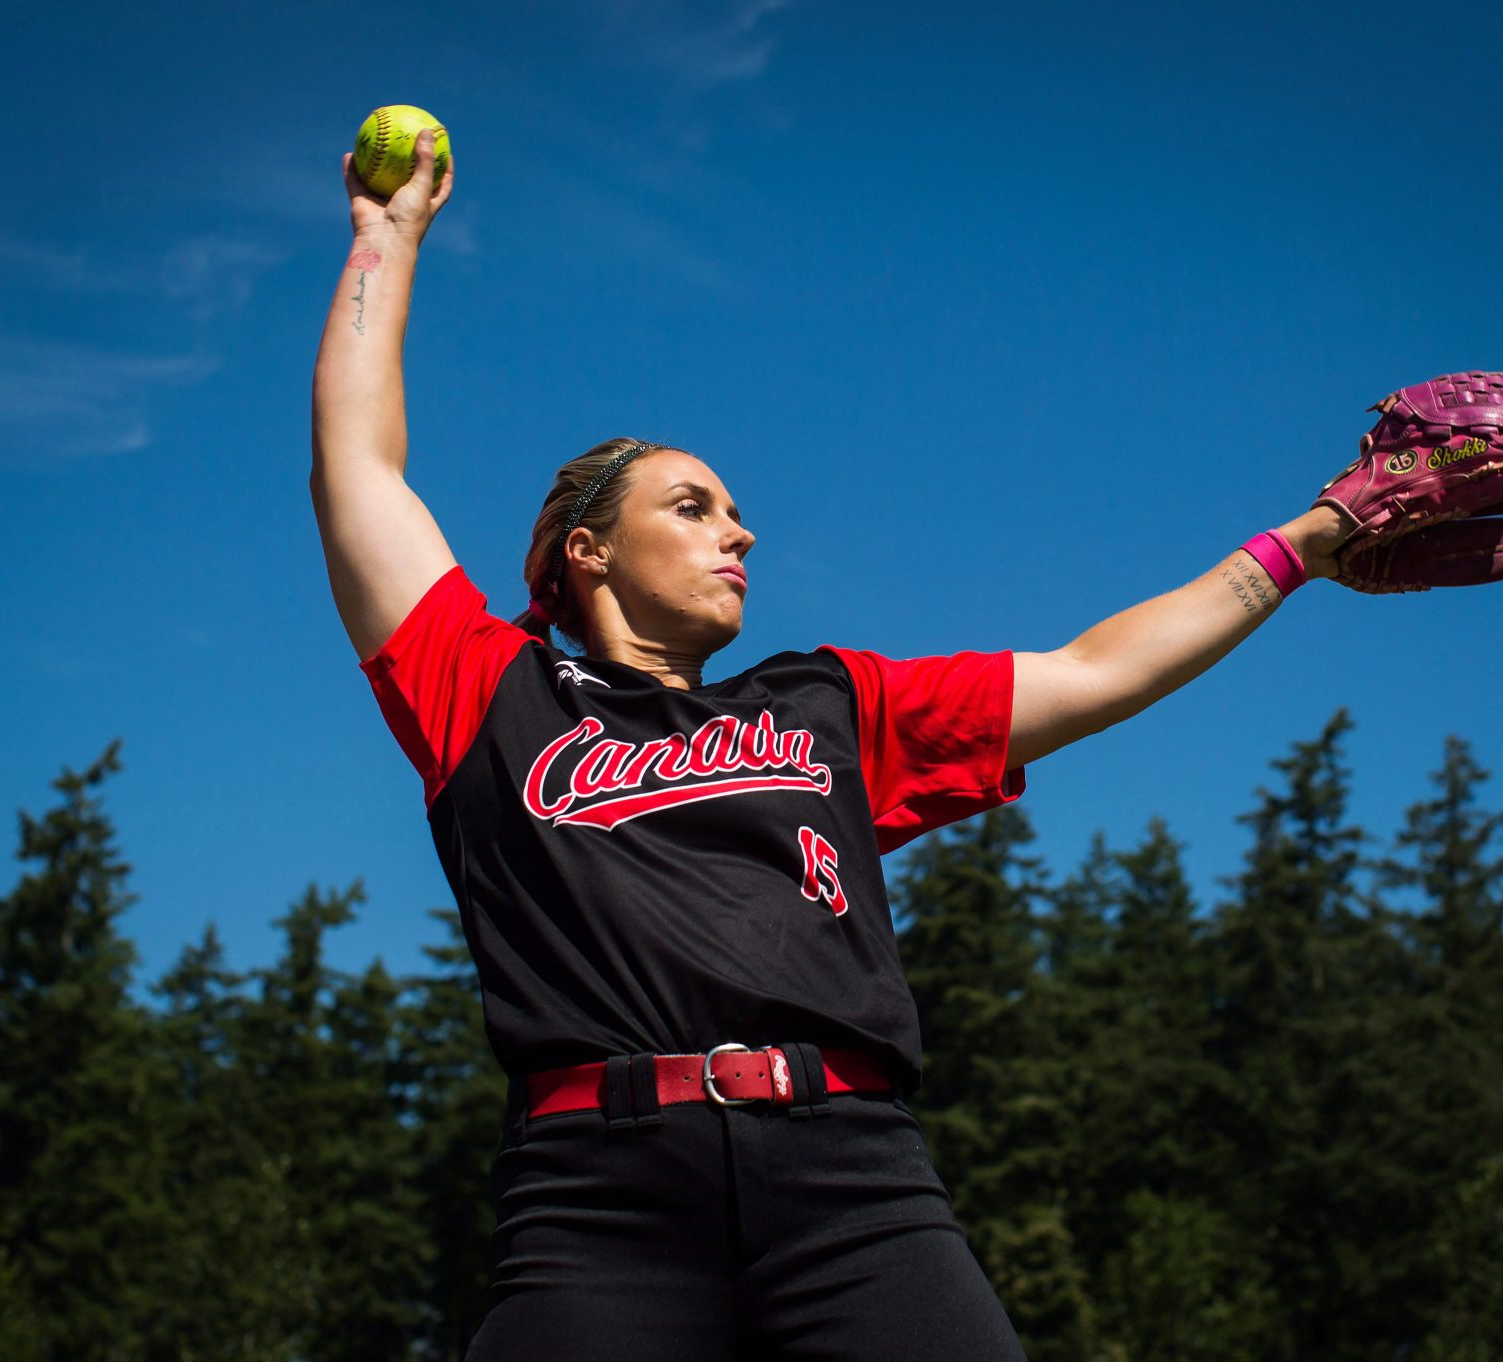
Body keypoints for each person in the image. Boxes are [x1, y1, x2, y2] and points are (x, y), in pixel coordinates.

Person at [311, 130, 1356, 1361]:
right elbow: (358, 469)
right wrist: (386, 236)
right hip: (596, 1197)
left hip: (853, 1186)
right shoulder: (489, 691)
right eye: (692, 508)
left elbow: (1092, 671)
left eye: (737, 514)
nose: (738, 534)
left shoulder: (825, 706)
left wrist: (1307, 542)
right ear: (587, 550)